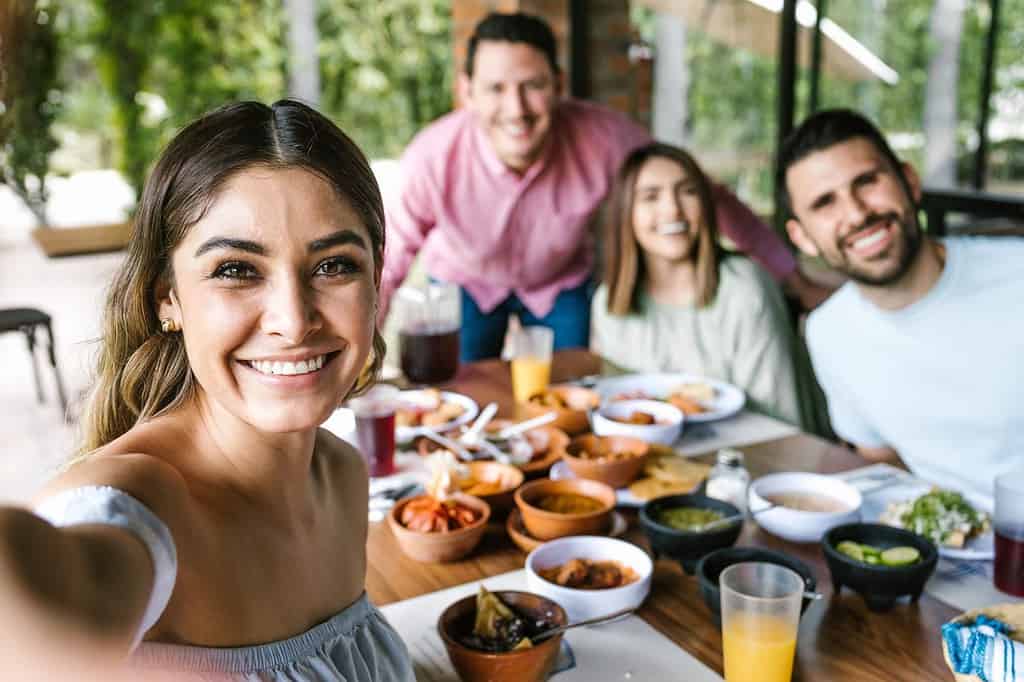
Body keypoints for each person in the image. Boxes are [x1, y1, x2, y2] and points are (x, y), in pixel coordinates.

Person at [0, 100, 414, 681]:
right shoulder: (136, 506)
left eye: (333, 266)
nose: (293, 322)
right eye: (236, 270)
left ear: (376, 279)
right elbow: (38, 598)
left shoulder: (343, 472)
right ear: (166, 297)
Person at [381, 11, 831, 362]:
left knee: (571, 396)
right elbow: (392, 256)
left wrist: (791, 279)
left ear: (558, 85)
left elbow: (704, 193)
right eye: (495, 88)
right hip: (466, 281)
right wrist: (361, 344)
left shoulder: (605, 138)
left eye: (532, 85)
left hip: (560, 285)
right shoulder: (432, 157)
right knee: (458, 398)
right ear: (468, 91)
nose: (515, 109)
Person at [779, 108, 1024, 497]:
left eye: (867, 181)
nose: (857, 213)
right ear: (803, 237)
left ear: (909, 182)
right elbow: (882, 462)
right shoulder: (827, 332)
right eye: (825, 202)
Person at [591, 143, 828, 433]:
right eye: (650, 197)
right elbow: (620, 411)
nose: (672, 209)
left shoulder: (744, 288)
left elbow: (782, 421)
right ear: (625, 214)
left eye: (687, 192)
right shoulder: (609, 303)